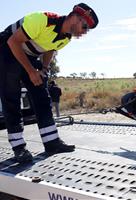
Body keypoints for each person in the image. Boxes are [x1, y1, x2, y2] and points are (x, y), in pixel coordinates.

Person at [0, 3, 99, 163]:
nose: (84, 32)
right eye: (84, 26)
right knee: (11, 96)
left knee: (42, 96)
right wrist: (31, 71)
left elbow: (50, 48)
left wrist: (44, 69)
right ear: (74, 17)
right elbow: (13, 42)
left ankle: (52, 143)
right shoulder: (42, 20)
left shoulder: (66, 39)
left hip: (28, 54)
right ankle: (19, 148)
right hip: (6, 48)